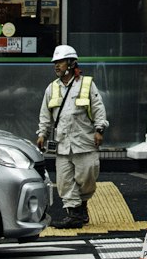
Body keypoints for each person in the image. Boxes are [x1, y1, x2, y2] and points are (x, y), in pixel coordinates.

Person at [36, 43, 108, 228]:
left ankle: (82, 205)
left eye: (59, 62)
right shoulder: (51, 88)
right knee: (64, 180)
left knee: (87, 176)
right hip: (62, 144)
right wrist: (42, 134)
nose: (56, 66)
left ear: (70, 63)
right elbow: (45, 114)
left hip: (84, 141)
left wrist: (99, 130)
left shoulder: (87, 84)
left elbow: (98, 109)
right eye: (55, 63)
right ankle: (74, 214)